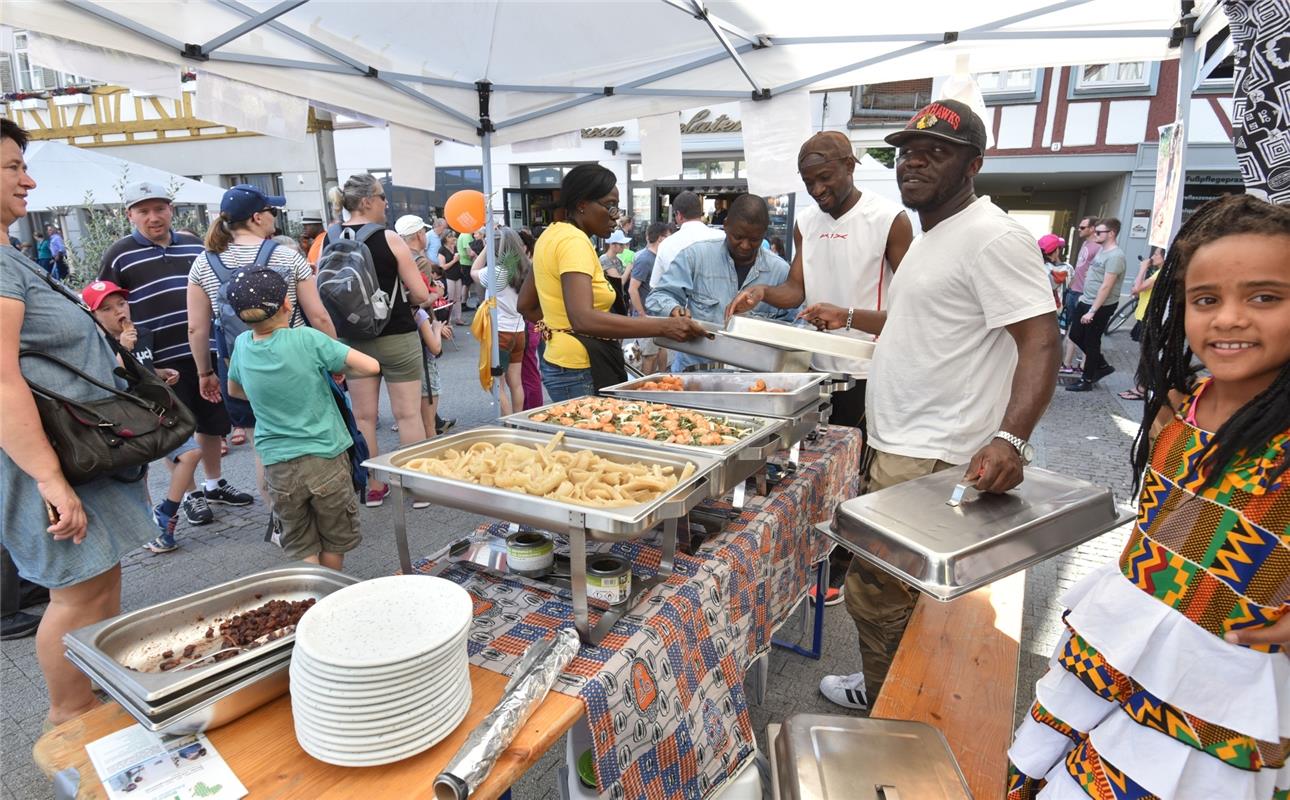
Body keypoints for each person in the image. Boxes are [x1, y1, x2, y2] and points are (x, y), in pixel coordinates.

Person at [1007, 193, 1290, 800]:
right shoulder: (1181, 403)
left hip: (1209, 698)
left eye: (1265, 297)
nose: (1230, 318)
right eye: (1206, 300)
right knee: (1038, 773)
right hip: (1111, 648)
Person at [800, 100, 1060, 710]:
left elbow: (1041, 338)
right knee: (904, 593)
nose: (912, 162)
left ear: (973, 164)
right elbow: (924, 319)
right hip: (902, 443)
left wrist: (1012, 439)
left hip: (933, 454)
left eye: (934, 152)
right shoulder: (933, 236)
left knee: (877, 593)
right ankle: (902, 689)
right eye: (905, 152)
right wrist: (851, 316)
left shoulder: (992, 236)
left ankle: (898, 707)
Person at [1, 119, 156, 727]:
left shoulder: (9, 256)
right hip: (49, 458)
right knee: (75, 593)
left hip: (75, 452)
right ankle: (69, 724)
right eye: (14, 166)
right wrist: (48, 478)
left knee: (96, 585)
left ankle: (92, 712)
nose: (28, 179)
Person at [728, 130, 913, 432]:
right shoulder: (806, 222)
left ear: (849, 166)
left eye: (825, 177)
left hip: (867, 368)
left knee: (857, 460)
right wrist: (761, 292)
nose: (816, 189)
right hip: (814, 366)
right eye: (808, 182)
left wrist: (847, 316)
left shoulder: (889, 218)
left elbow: (910, 305)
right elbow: (795, 289)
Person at [99, 181, 251, 524]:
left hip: (202, 350)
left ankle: (214, 483)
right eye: (144, 211)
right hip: (157, 359)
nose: (154, 217)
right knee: (175, 427)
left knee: (212, 422)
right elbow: (104, 303)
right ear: (130, 215)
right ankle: (191, 494)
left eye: (160, 209)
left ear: (171, 209)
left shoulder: (193, 245)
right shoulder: (119, 254)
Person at [187, 183, 338, 505]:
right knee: (312, 432)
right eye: (271, 211)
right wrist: (335, 358)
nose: (274, 217)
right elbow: (319, 316)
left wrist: (205, 373)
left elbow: (196, 327)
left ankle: (282, 517)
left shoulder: (204, 263)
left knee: (263, 446)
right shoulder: (286, 255)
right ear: (257, 217)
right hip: (297, 365)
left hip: (241, 370)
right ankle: (320, 504)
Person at [225, 268, 381, 571]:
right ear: (287, 303)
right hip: (325, 457)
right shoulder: (307, 339)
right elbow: (370, 366)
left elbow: (235, 389)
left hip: (278, 465)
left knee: (300, 541)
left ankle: (311, 593)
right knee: (334, 538)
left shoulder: (242, 345)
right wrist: (333, 369)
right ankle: (330, 592)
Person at [518, 164, 707, 400]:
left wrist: (558, 327)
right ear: (582, 204)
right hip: (581, 366)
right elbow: (583, 318)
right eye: (610, 206)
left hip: (560, 361)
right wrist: (663, 326)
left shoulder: (551, 234)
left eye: (617, 208)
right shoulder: (574, 241)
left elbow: (526, 305)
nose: (615, 217)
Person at [324, 174, 431, 507]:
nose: (387, 203)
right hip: (396, 334)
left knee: (364, 417)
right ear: (368, 200)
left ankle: (373, 486)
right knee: (408, 416)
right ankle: (414, 487)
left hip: (353, 340)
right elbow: (423, 295)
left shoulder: (329, 238)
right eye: (383, 197)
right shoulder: (390, 238)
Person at [82, 280, 202, 554]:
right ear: (93, 316)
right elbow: (111, 380)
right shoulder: (97, 345)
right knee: (140, 474)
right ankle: (154, 528)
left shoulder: (143, 334)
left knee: (191, 453)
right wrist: (122, 349)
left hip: (156, 410)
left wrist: (160, 373)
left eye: (121, 304)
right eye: (107, 309)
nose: (118, 312)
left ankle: (167, 512)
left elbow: (142, 368)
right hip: (127, 417)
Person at [649, 194, 796, 371]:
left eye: (754, 240)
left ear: (764, 234)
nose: (745, 245)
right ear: (725, 226)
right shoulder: (696, 256)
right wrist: (674, 310)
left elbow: (794, 327)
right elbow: (658, 296)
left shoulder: (781, 272)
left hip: (756, 379)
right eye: (738, 237)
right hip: (694, 372)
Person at [396, 214, 453, 436]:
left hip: (400, 333)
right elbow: (420, 299)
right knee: (426, 397)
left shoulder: (396, 257)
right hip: (420, 330)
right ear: (420, 234)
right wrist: (436, 293)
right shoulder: (418, 261)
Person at [471, 227, 530, 415]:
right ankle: (518, 421)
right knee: (516, 383)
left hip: (500, 333)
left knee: (497, 383)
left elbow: (473, 271)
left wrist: (484, 248)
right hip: (519, 331)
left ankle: (508, 423)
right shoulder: (527, 268)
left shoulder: (498, 272)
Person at [1066, 218, 1126, 392]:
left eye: (1099, 232)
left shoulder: (1116, 256)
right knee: (1076, 335)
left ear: (1111, 233)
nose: (1095, 234)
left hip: (1099, 305)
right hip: (1086, 299)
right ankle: (1101, 365)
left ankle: (1087, 379)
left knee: (1092, 342)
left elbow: (1107, 285)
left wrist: (1093, 311)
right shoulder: (1101, 250)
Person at [649, 190, 724, 289]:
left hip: (678, 303)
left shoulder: (667, 244)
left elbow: (655, 286)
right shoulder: (722, 238)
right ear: (699, 212)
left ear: (679, 215)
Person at [628, 221, 673, 375]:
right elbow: (632, 289)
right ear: (660, 239)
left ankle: (662, 381)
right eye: (668, 237)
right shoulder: (645, 259)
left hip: (659, 317)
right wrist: (642, 315)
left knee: (661, 351)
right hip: (648, 317)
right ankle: (646, 388)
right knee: (650, 356)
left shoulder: (660, 257)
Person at [1060, 216, 1100, 372]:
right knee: (1072, 328)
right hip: (1074, 290)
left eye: (1083, 227)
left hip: (1084, 294)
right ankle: (1068, 363)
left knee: (1081, 331)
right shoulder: (1086, 244)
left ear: (1092, 228)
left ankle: (1080, 364)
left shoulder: (1098, 248)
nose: (1079, 230)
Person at [1038, 233, 1070, 309]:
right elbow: (1071, 285)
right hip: (1056, 308)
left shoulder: (1039, 267)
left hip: (1040, 307)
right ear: (1056, 251)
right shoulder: (1067, 269)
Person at [439, 231, 465, 325]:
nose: (453, 238)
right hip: (448, 276)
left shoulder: (455, 247)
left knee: (458, 298)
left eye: (454, 237)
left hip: (457, 275)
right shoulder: (442, 250)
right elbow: (443, 266)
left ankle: (458, 318)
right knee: (449, 298)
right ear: (445, 238)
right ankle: (447, 320)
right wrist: (454, 261)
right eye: (451, 237)